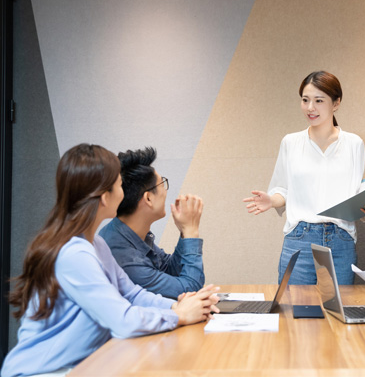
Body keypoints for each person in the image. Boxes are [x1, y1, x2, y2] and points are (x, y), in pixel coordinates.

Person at [1, 144, 219, 377]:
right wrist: (180, 315)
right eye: (118, 185)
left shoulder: (96, 244)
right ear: (105, 198)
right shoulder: (74, 255)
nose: (123, 192)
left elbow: (132, 294)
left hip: (80, 366)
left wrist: (175, 306)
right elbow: (123, 320)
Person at [243, 71, 365, 285]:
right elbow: (282, 189)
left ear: (336, 103)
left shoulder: (354, 143)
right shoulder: (290, 142)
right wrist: (271, 200)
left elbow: (355, 192)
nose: (310, 108)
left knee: (337, 315)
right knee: (294, 311)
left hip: (341, 239)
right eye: (305, 100)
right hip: (299, 238)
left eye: (319, 101)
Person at [99, 147, 205, 299]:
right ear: (148, 198)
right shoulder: (123, 255)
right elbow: (189, 290)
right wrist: (191, 231)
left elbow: (169, 269)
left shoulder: (128, 232)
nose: (165, 191)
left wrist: (184, 231)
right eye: (162, 183)